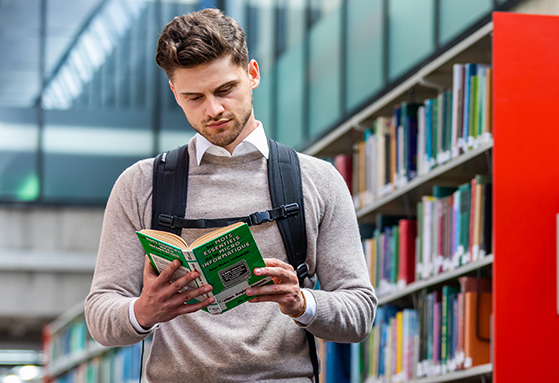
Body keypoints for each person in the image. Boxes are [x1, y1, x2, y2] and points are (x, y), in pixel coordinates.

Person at [84, 8, 375, 382]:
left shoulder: (317, 180)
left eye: (225, 90)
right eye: (194, 97)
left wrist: (303, 302)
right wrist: (144, 311)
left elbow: (360, 313)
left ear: (252, 74)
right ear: (174, 92)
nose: (214, 109)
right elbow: (100, 315)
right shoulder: (140, 185)